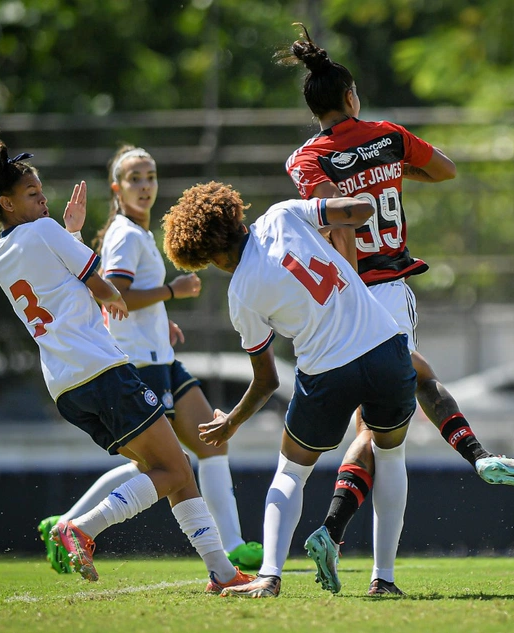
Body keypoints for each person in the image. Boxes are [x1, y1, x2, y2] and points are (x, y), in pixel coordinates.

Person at [278, 25, 514, 595]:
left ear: (315, 109)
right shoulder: (388, 136)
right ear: (352, 97)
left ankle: (334, 537)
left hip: (336, 298)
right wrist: (397, 172)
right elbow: (446, 168)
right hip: (388, 292)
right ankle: (378, 570)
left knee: (366, 428)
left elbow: (323, 214)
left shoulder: (304, 159)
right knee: (392, 433)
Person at [0, 128, 253, 592]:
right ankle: (79, 528)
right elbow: (95, 281)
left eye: (42, 192)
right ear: (6, 202)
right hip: (102, 369)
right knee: (176, 468)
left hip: (66, 385)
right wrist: (116, 294)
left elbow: (55, 280)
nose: (43, 201)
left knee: (168, 468)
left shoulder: (0, 252)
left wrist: (74, 232)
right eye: (32, 194)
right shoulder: (44, 230)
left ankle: (222, 573)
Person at [161, 181, 417, 599]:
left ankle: (270, 576)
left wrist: (231, 422)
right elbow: (357, 211)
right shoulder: (281, 213)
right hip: (386, 347)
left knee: (291, 472)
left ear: (210, 254)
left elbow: (266, 381)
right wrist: (341, 200)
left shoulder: (240, 293)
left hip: (327, 370)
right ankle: (383, 579)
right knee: (390, 457)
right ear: (234, 215)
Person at [36, 145, 262, 575]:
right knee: (158, 463)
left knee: (211, 439)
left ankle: (231, 546)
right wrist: (172, 292)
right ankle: (66, 524)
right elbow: (115, 293)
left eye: (150, 176)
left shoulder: (137, 232)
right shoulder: (125, 233)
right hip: (139, 362)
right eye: (135, 178)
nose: (145, 186)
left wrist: (162, 319)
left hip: (159, 353)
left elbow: (127, 300)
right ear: (117, 188)